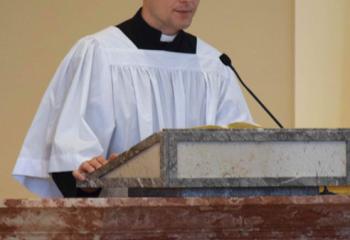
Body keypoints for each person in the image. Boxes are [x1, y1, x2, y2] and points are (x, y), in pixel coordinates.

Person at [13, 0, 253, 197]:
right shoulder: (101, 53)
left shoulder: (214, 66)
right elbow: (71, 160)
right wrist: (94, 177)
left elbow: (240, 158)